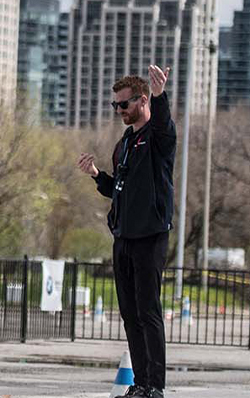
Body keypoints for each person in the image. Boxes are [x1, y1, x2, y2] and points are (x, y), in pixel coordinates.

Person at [76, 65, 175, 398]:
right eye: (115, 105)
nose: (119, 110)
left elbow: (164, 124)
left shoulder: (157, 137)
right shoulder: (125, 143)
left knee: (148, 311)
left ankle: (155, 386)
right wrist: (95, 174)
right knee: (130, 315)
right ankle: (141, 383)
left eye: (124, 105)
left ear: (142, 101)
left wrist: (161, 96)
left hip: (150, 236)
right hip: (123, 237)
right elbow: (117, 189)